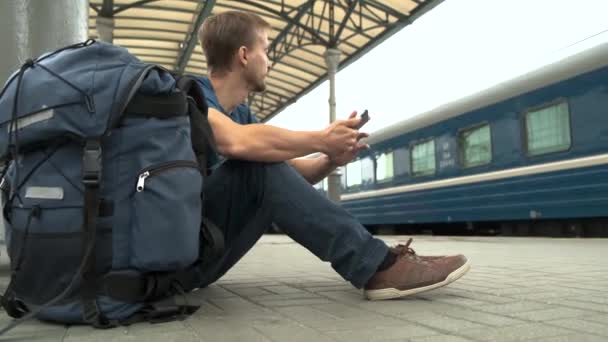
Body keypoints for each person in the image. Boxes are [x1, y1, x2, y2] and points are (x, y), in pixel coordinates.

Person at [192, 10, 470, 300]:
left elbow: (290, 175)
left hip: (207, 251)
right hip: (175, 258)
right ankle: (377, 267)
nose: (270, 60)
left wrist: (330, 160)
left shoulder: (242, 115)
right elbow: (232, 141)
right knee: (256, 166)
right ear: (244, 55)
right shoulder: (188, 94)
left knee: (263, 165)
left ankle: (375, 262)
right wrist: (322, 139)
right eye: (266, 49)